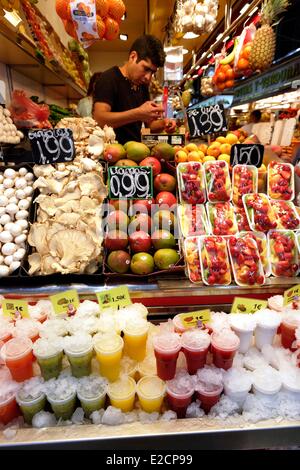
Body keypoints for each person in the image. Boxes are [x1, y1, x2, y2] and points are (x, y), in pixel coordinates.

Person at [93, 34, 166, 144]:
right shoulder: (108, 78)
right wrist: (138, 113)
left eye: (152, 72)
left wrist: (164, 124)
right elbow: (99, 119)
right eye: (146, 69)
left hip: (135, 153)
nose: (148, 77)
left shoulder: (142, 86)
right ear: (133, 57)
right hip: (111, 155)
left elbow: (149, 125)